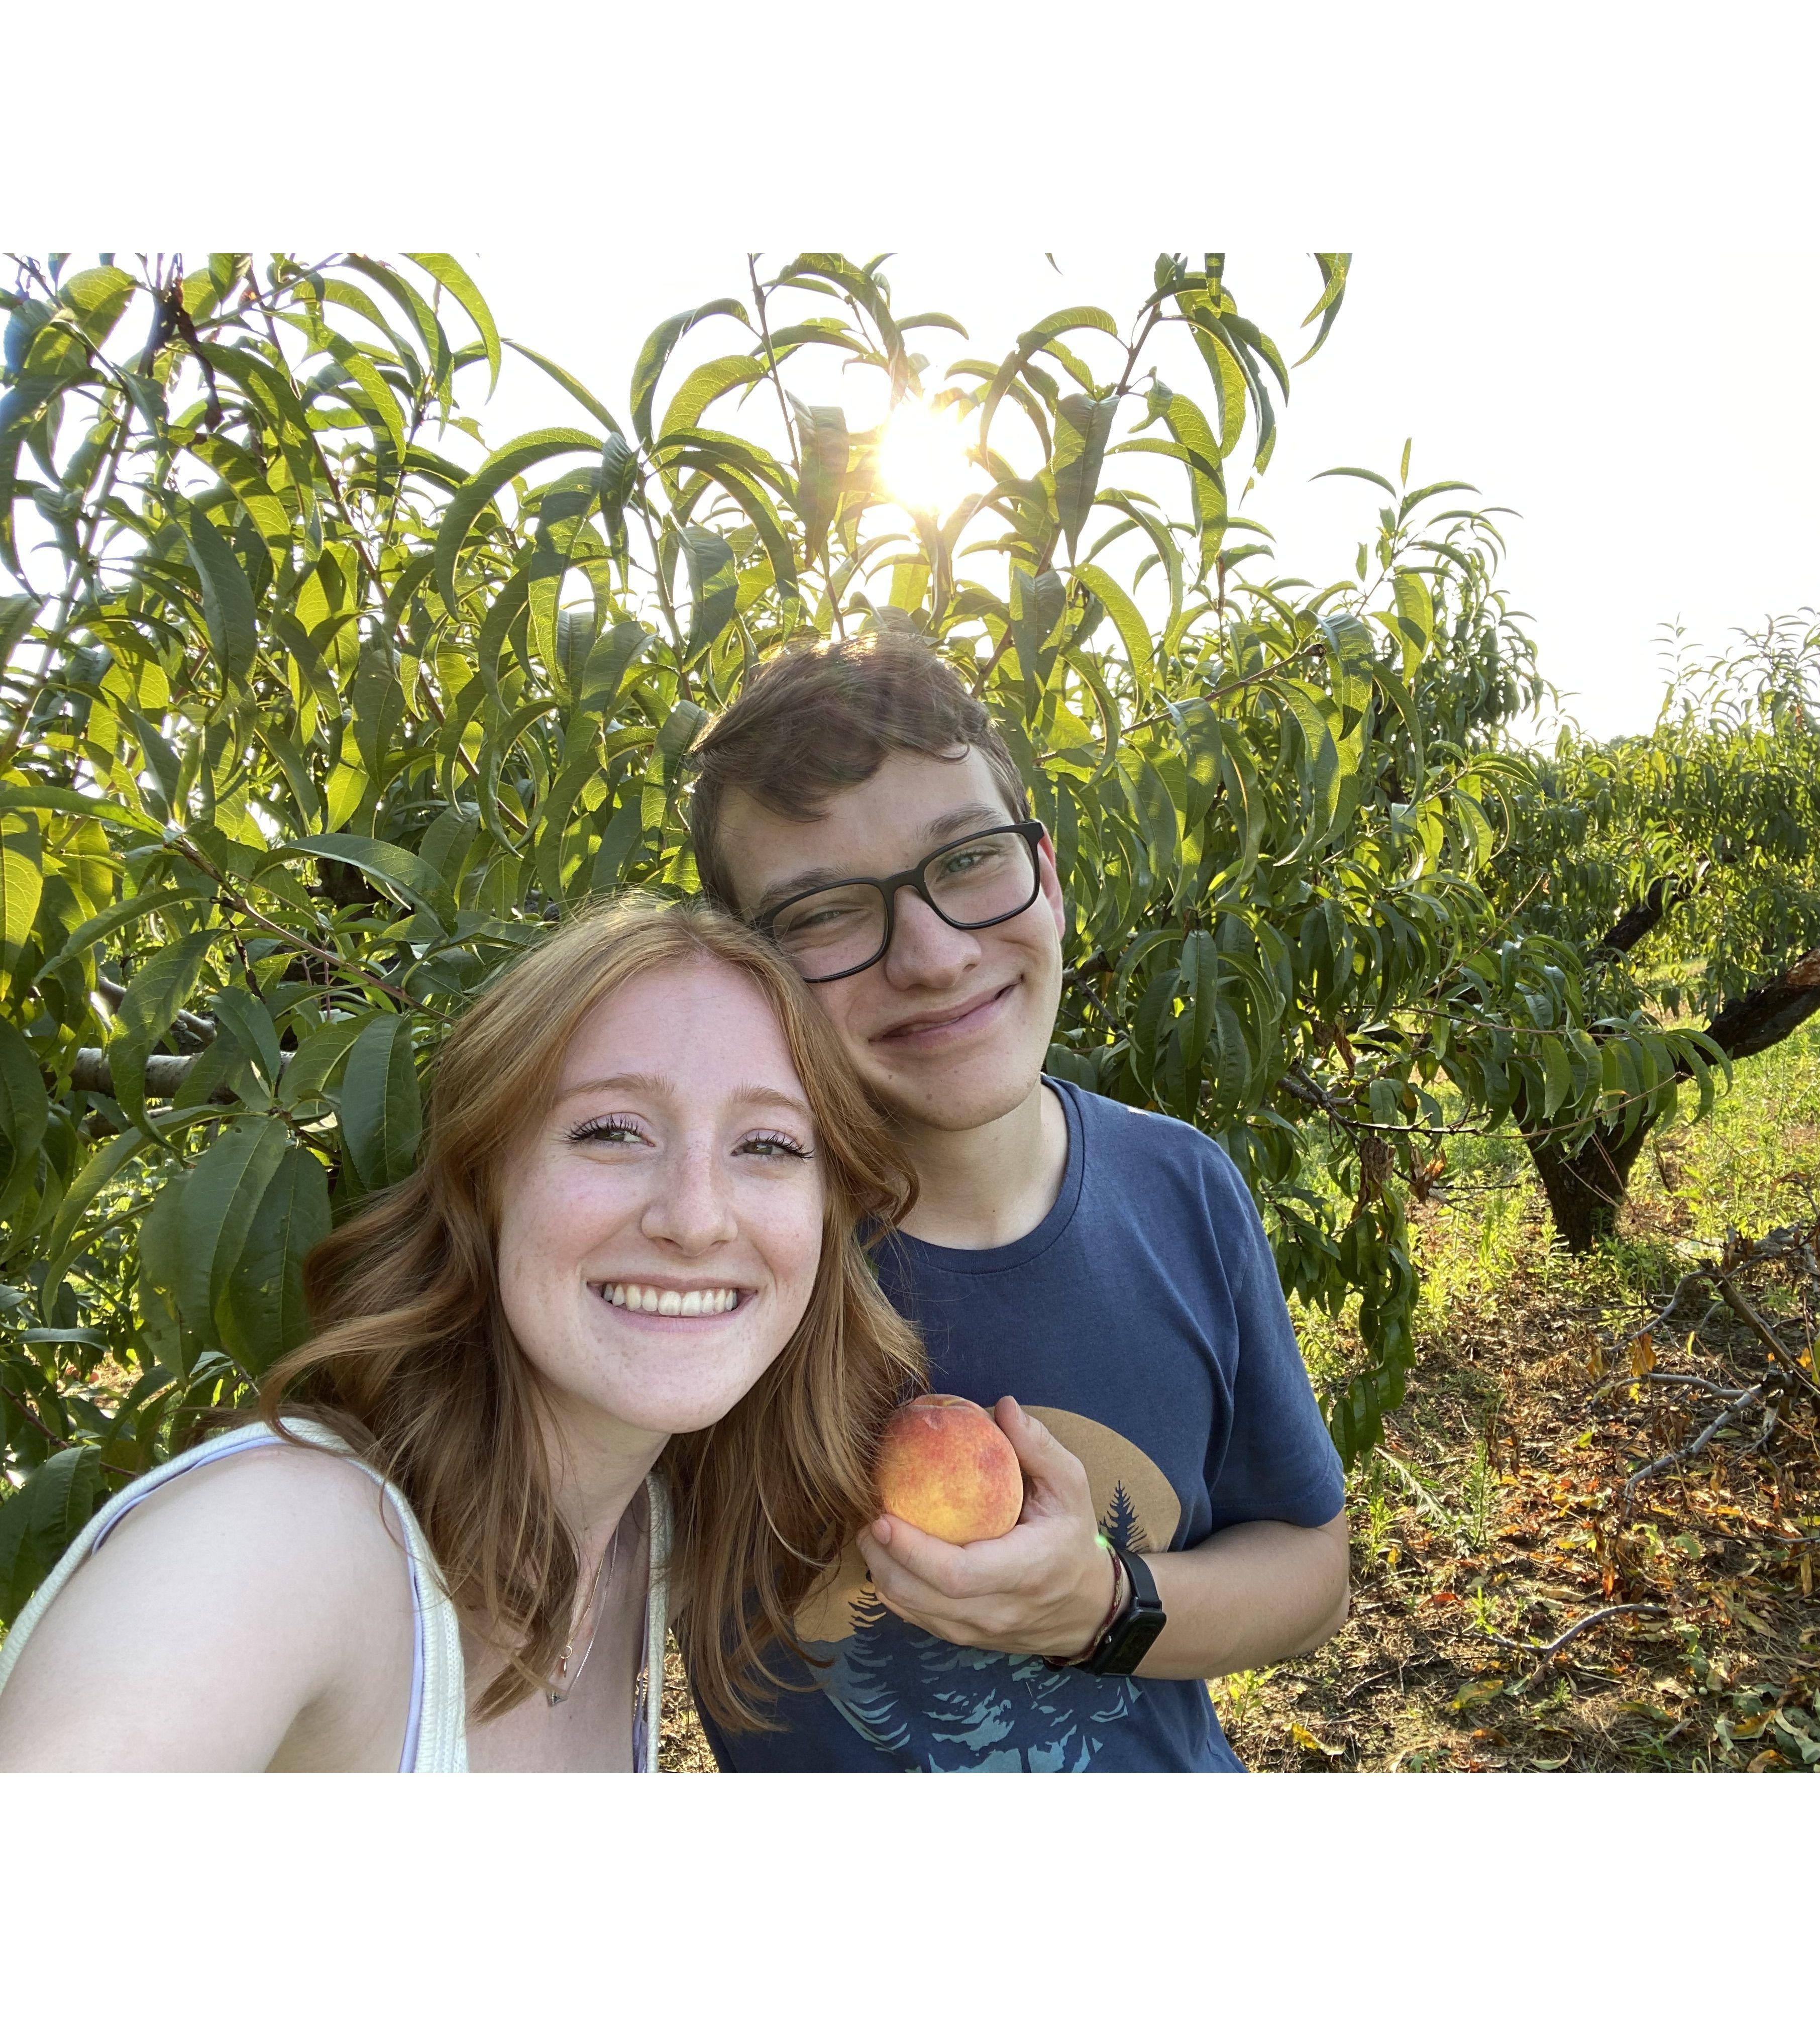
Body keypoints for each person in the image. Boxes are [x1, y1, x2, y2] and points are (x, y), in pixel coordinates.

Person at [0, 899, 921, 1771]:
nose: (695, 1217)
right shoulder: (281, 1540)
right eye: (610, 1131)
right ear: (485, 1183)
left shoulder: (643, 1535)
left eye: (767, 1145)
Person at [686, 636, 1350, 1772]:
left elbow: (1310, 1567)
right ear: (754, 974)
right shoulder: (713, 1256)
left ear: (1047, 870)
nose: (936, 957)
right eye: (825, 915)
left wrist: (1102, 1606)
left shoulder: (1183, 1189)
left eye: (970, 859)